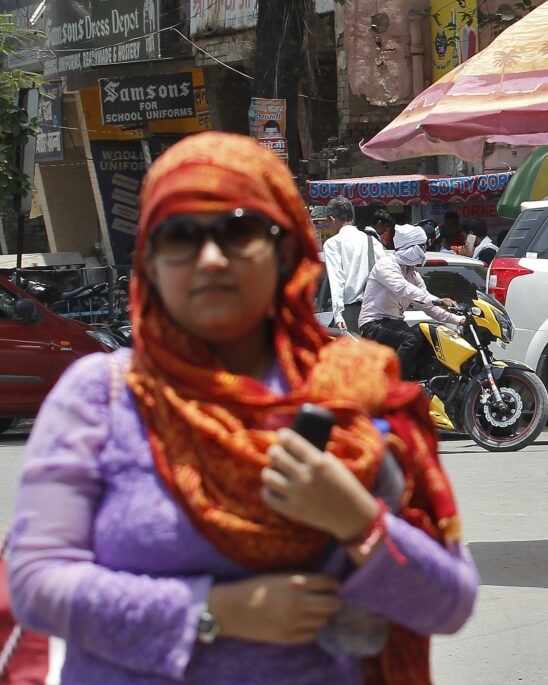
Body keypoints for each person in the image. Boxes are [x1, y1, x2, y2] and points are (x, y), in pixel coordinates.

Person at [8, 132, 478, 683]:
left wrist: (356, 521)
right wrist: (212, 613)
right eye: (179, 235)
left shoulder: (350, 395)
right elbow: (37, 583)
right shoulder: (104, 396)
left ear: (286, 251)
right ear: (151, 263)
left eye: (238, 230)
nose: (210, 258)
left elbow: (448, 603)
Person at [359, 225, 466, 380]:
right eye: (422, 247)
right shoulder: (386, 265)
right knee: (412, 337)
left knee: (430, 335)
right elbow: (405, 289)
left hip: (394, 324)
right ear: (412, 247)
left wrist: (461, 320)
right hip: (374, 325)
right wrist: (438, 300)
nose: (424, 251)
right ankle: (393, 383)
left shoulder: (412, 273)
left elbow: (429, 307)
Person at [322, 196, 386, 332]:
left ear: (332, 219)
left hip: (350, 313)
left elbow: (336, 279)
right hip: (376, 311)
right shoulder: (372, 241)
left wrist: (338, 314)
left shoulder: (333, 243)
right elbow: (387, 273)